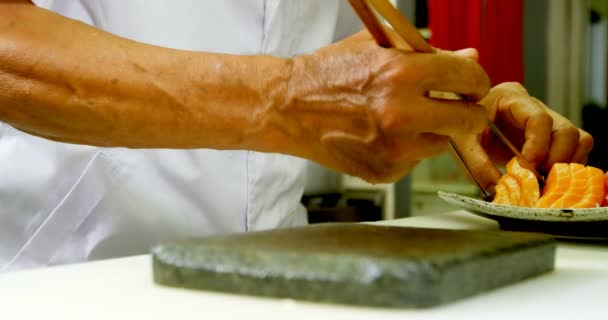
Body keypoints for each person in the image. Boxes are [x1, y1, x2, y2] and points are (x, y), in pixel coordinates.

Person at [0, 0, 593, 272]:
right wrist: (287, 102)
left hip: (283, 279)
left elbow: (336, 51)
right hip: (58, 278)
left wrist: (461, 105)